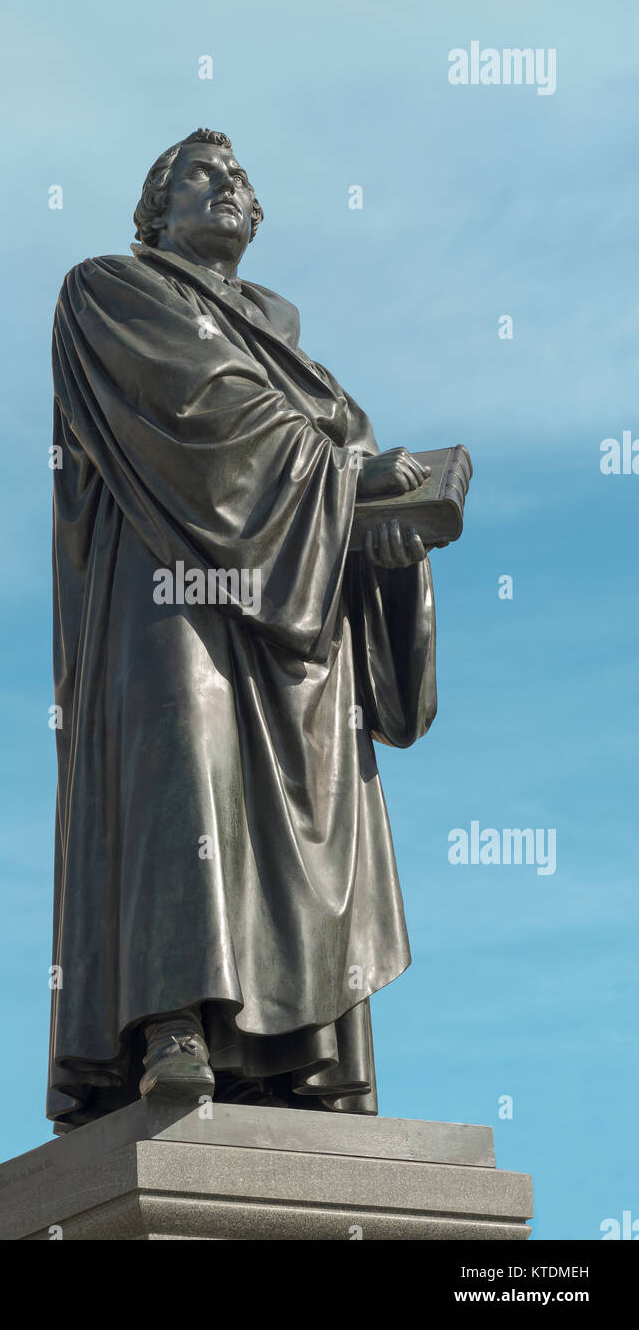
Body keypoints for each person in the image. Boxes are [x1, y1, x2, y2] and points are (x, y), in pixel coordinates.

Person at [47, 128, 437, 1130]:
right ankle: (168, 1021)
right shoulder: (108, 290)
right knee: (183, 760)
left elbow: (324, 454)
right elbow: (199, 414)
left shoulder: (297, 353)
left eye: (240, 182)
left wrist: (387, 527)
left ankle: (291, 1052)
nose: (228, 190)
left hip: (293, 627)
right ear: (157, 211)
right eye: (202, 177)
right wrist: (353, 475)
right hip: (170, 591)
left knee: (298, 802)